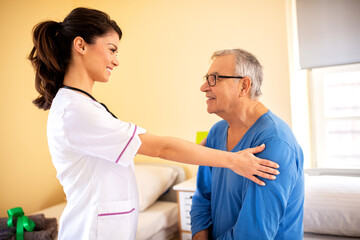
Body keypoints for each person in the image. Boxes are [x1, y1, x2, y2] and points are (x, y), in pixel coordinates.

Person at [28, 8, 280, 240]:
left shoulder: (82, 105)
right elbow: (161, 148)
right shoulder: (76, 110)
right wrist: (234, 160)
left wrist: (206, 149)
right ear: (81, 45)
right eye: (112, 49)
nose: (116, 61)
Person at [190, 49, 304, 240]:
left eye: (214, 79)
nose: (203, 87)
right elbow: (203, 196)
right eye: (207, 78)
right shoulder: (216, 133)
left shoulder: (274, 142)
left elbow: (252, 234)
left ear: (244, 86)